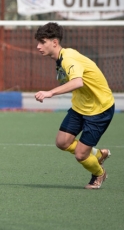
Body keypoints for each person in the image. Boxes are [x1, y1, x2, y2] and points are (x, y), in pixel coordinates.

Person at [34, 22, 113, 189]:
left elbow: (77, 82)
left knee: (80, 154)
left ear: (54, 42)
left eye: (42, 42)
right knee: (62, 142)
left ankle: (99, 174)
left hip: (99, 109)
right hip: (80, 107)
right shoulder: (62, 56)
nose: (38, 46)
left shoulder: (68, 59)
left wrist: (50, 93)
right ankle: (98, 154)